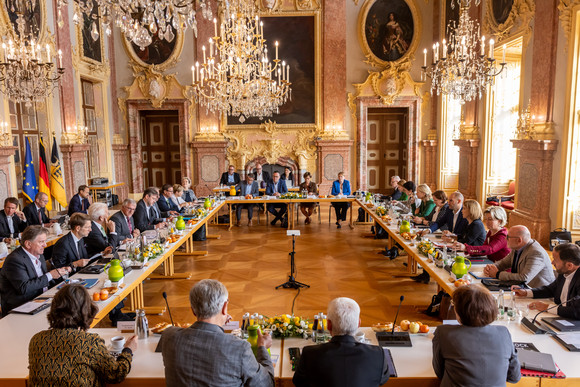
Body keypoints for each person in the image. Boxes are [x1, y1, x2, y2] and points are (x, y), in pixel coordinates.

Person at [161, 279, 275, 387]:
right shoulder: (239, 348)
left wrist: (218, 324)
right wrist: (262, 348)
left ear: (192, 310)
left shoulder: (169, 337)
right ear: (225, 307)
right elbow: (266, 383)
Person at [28, 284, 138, 386]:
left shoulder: (37, 340)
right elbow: (116, 374)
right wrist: (128, 350)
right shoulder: (88, 342)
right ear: (85, 309)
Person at [432, 285, 521, 387]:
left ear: (458, 310)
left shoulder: (443, 333)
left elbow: (439, 373)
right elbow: (514, 377)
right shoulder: (503, 333)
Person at [293, 297, 389, 387]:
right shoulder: (378, 354)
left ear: (328, 325)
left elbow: (298, 382)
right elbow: (382, 380)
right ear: (359, 323)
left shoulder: (309, 354)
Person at [0, 226, 70, 315]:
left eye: (45, 241)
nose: (45, 245)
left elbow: (42, 280)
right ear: (28, 244)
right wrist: (50, 275)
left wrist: (60, 274)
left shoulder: (39, 254)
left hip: (42, 299)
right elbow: (24, 288)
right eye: (41, 242)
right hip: (21, 308)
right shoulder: (14, 260)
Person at [513, 243, 580, 319]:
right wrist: (526, 292)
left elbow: (577, 311)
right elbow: (551, 290)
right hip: (561, 317)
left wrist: (547, 307)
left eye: (555, 260)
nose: (552, 262)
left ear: (569, 266)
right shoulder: (565, 271)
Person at [483, 225, 555, 288]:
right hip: (522, 288)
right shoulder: (517, 247)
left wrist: (497, 274)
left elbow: (524, 278)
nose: (505, 239)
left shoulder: (536, 252)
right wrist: (491, 268)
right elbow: (504, 263)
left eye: (508, 237)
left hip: (539, 294)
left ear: (519, 240)